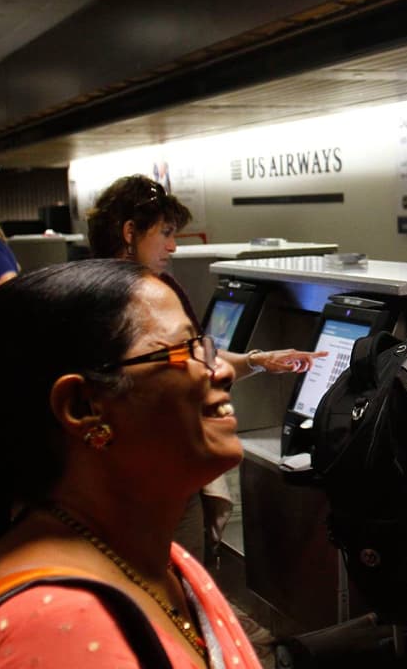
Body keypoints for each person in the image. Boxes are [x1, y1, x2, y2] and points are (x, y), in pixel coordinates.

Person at [0, 259, 263, 667]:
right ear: (82, 408)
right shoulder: (56, 632)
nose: (221, 370)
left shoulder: (154, 557)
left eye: (206, 346)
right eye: (186, 350)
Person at [86, 174, 323, 559]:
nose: (173, 245)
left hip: (170, 470)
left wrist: (258, 361)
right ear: (130, 231)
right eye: (164, 232)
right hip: (146, 477)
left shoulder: (158, 287)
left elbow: (194, 355)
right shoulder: (109, 302)